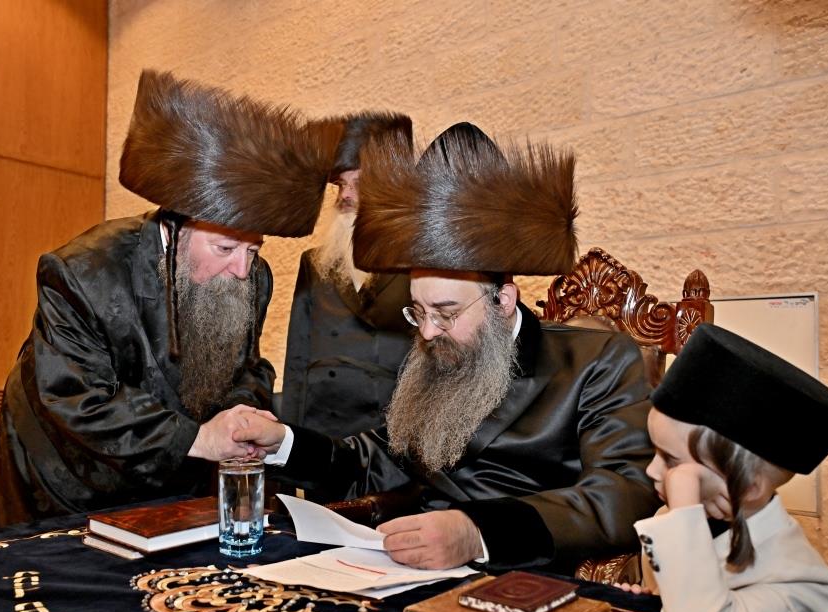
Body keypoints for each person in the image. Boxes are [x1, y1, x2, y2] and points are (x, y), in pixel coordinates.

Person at [235, 122, 660, 572]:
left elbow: (624, 493)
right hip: (407, 569)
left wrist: (478, 533)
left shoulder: (597, 361)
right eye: (417, 312)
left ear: (503, 301)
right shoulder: (438, 352)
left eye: (446, 312)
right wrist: (282, 442)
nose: (428, 332)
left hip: (520, 572)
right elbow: (377, 460)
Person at [0, 70, 334, 530]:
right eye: (225, 248)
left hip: (175, 467)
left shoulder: (251, 276)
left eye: (253, 250)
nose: (243, 269)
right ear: (174, 228)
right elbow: (77, 398)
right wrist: (199, 438)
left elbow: (245, 365)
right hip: (69, 471)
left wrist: (240, 415)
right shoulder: (82, 271)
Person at [617, 323, 828, 612]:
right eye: (654, 451)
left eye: (672, 460)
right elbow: (679, 611)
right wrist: (650, 603)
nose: (652, 470)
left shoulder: (806, 585)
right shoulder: (671, 518)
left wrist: (682, 493)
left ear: (750, 487)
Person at [281, 112, 414, 450]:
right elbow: (297, 361)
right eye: (341, 185)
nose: (346, 196)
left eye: (359, 183)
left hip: (390, 430)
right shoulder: (314, 264)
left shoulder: (417, 263)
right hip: (323, 426)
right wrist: (291, 441)